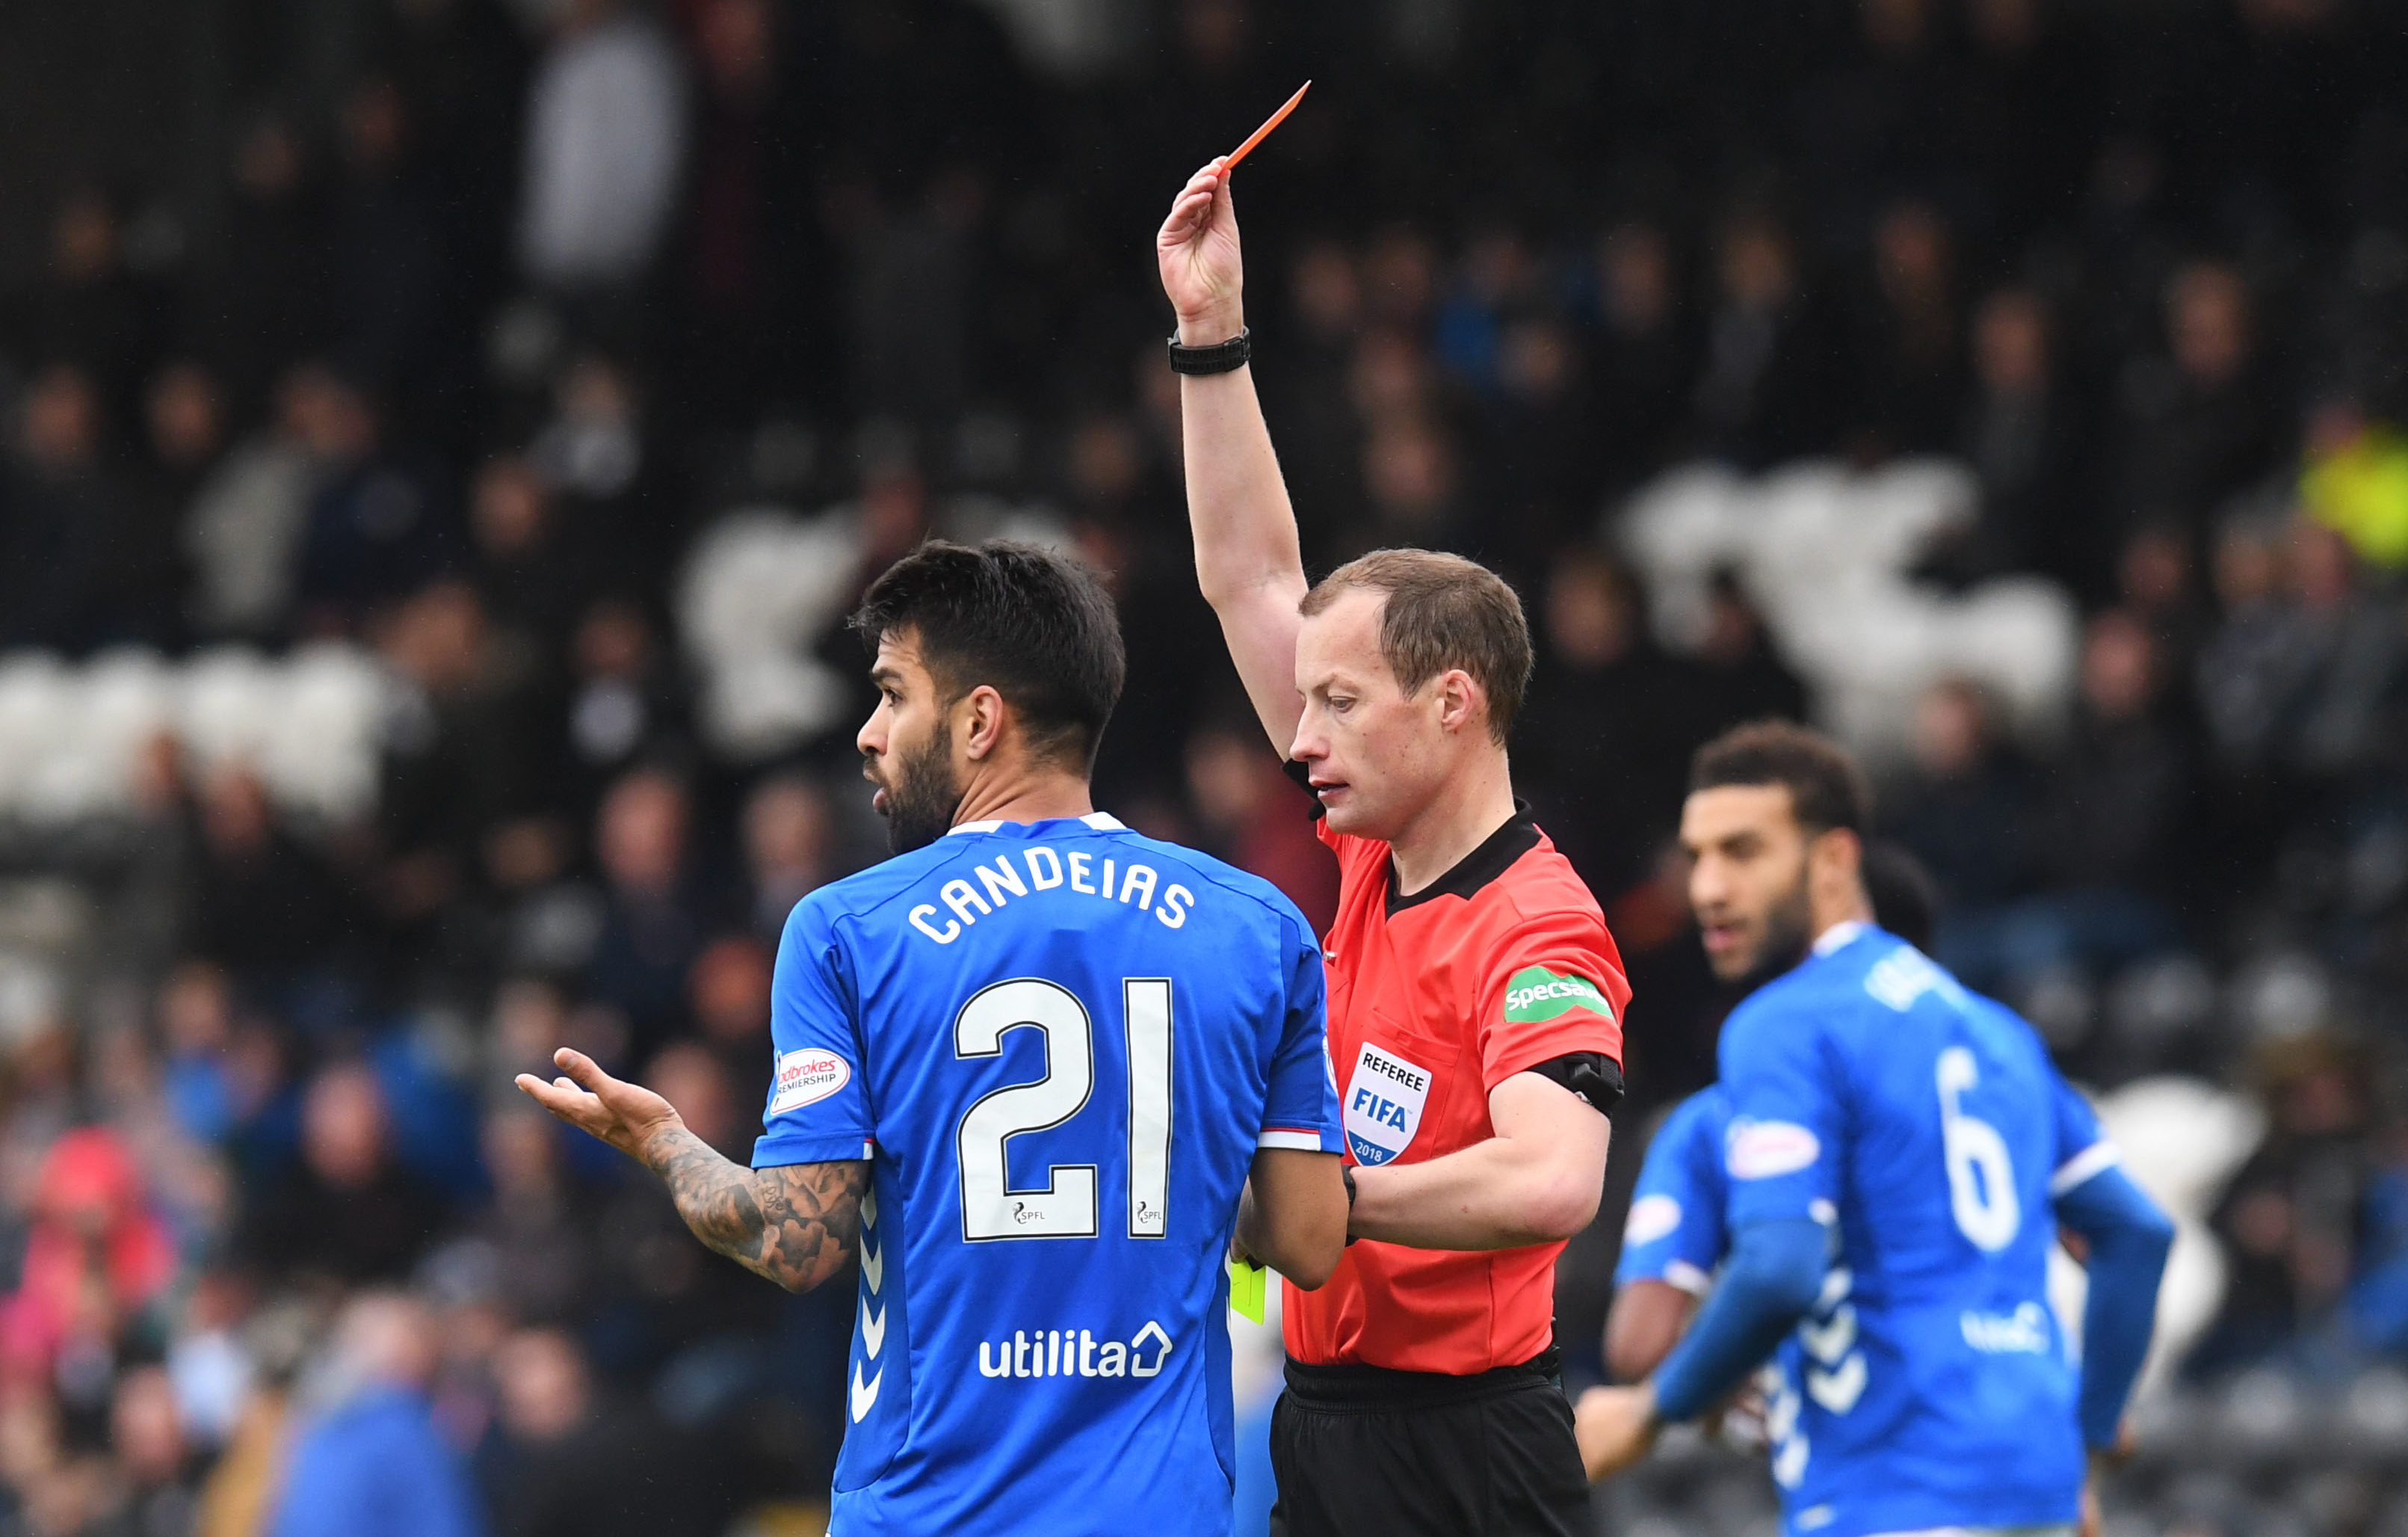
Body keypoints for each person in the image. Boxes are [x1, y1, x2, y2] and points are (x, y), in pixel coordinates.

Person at [517, 539, 1347, 1536]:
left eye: (892, 695)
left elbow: (796, 1241)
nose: (869, 733)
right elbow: (1305, 1239)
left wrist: (664, 1144)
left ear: (979, 720)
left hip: (933, 1511)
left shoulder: (848, 931)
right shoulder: (1256, 928)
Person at [1158, 160, 1627, 1536]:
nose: (1299, 737)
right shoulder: (1370, 858)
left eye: (1337, 704)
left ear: (1453, 702)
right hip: (1326, 1424)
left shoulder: (1540, 927)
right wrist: (1209, 330)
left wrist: (1323, 1206)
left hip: (1468, 1450)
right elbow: (1246, 576)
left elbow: (1554, 1176)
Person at [1577, 722, 2175, 1537]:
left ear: (1832, 859)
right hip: (2035, 1482)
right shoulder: (1993, 1029)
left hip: (1895, 1486)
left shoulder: (1784, 1023)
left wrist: (1652, 1410)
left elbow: (1782, 1269)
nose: (1709, 888)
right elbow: (2136, 1233)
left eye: (1743, 852)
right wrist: (2092, 1437)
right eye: (1698, 855)